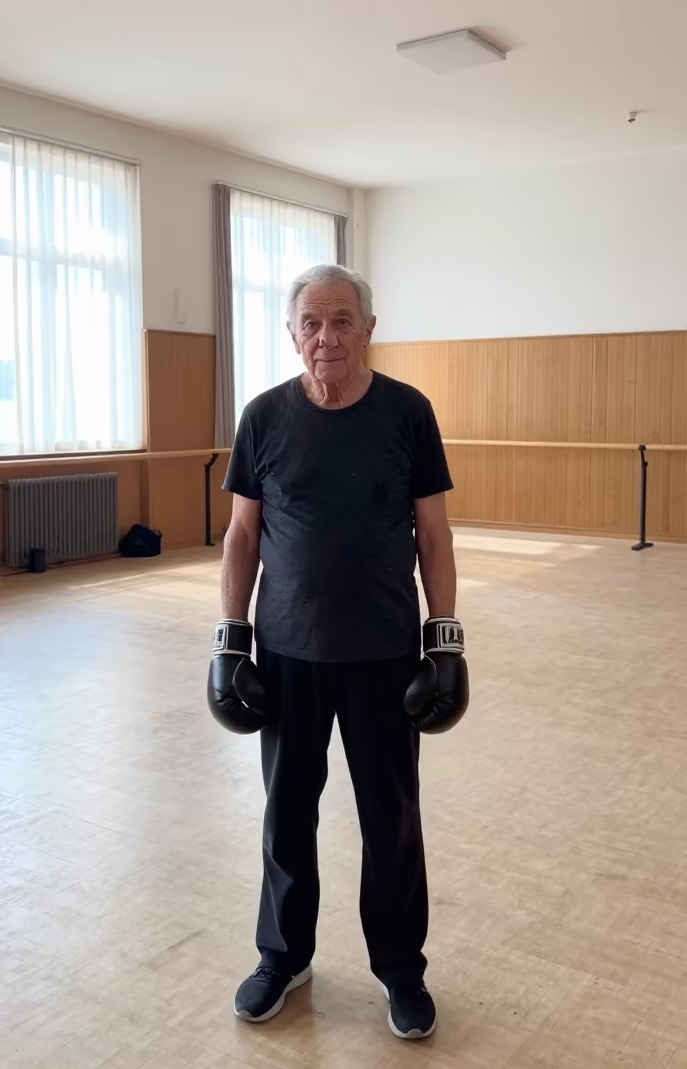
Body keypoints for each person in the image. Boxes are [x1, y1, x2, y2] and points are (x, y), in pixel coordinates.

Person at [208, 264, 468, 1041]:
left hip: (385, 653)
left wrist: (445, 641)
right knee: (287, 813)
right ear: (292, 334)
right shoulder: (262, 418)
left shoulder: (407, 414)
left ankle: (399, 969)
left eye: (343, 321)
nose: (328, 338)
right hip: (288, 654)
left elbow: (434, 534)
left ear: (368, 328)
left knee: (390, 819)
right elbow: (243, 535)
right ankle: (282, 958)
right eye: (312, 324)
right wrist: (230, 643)